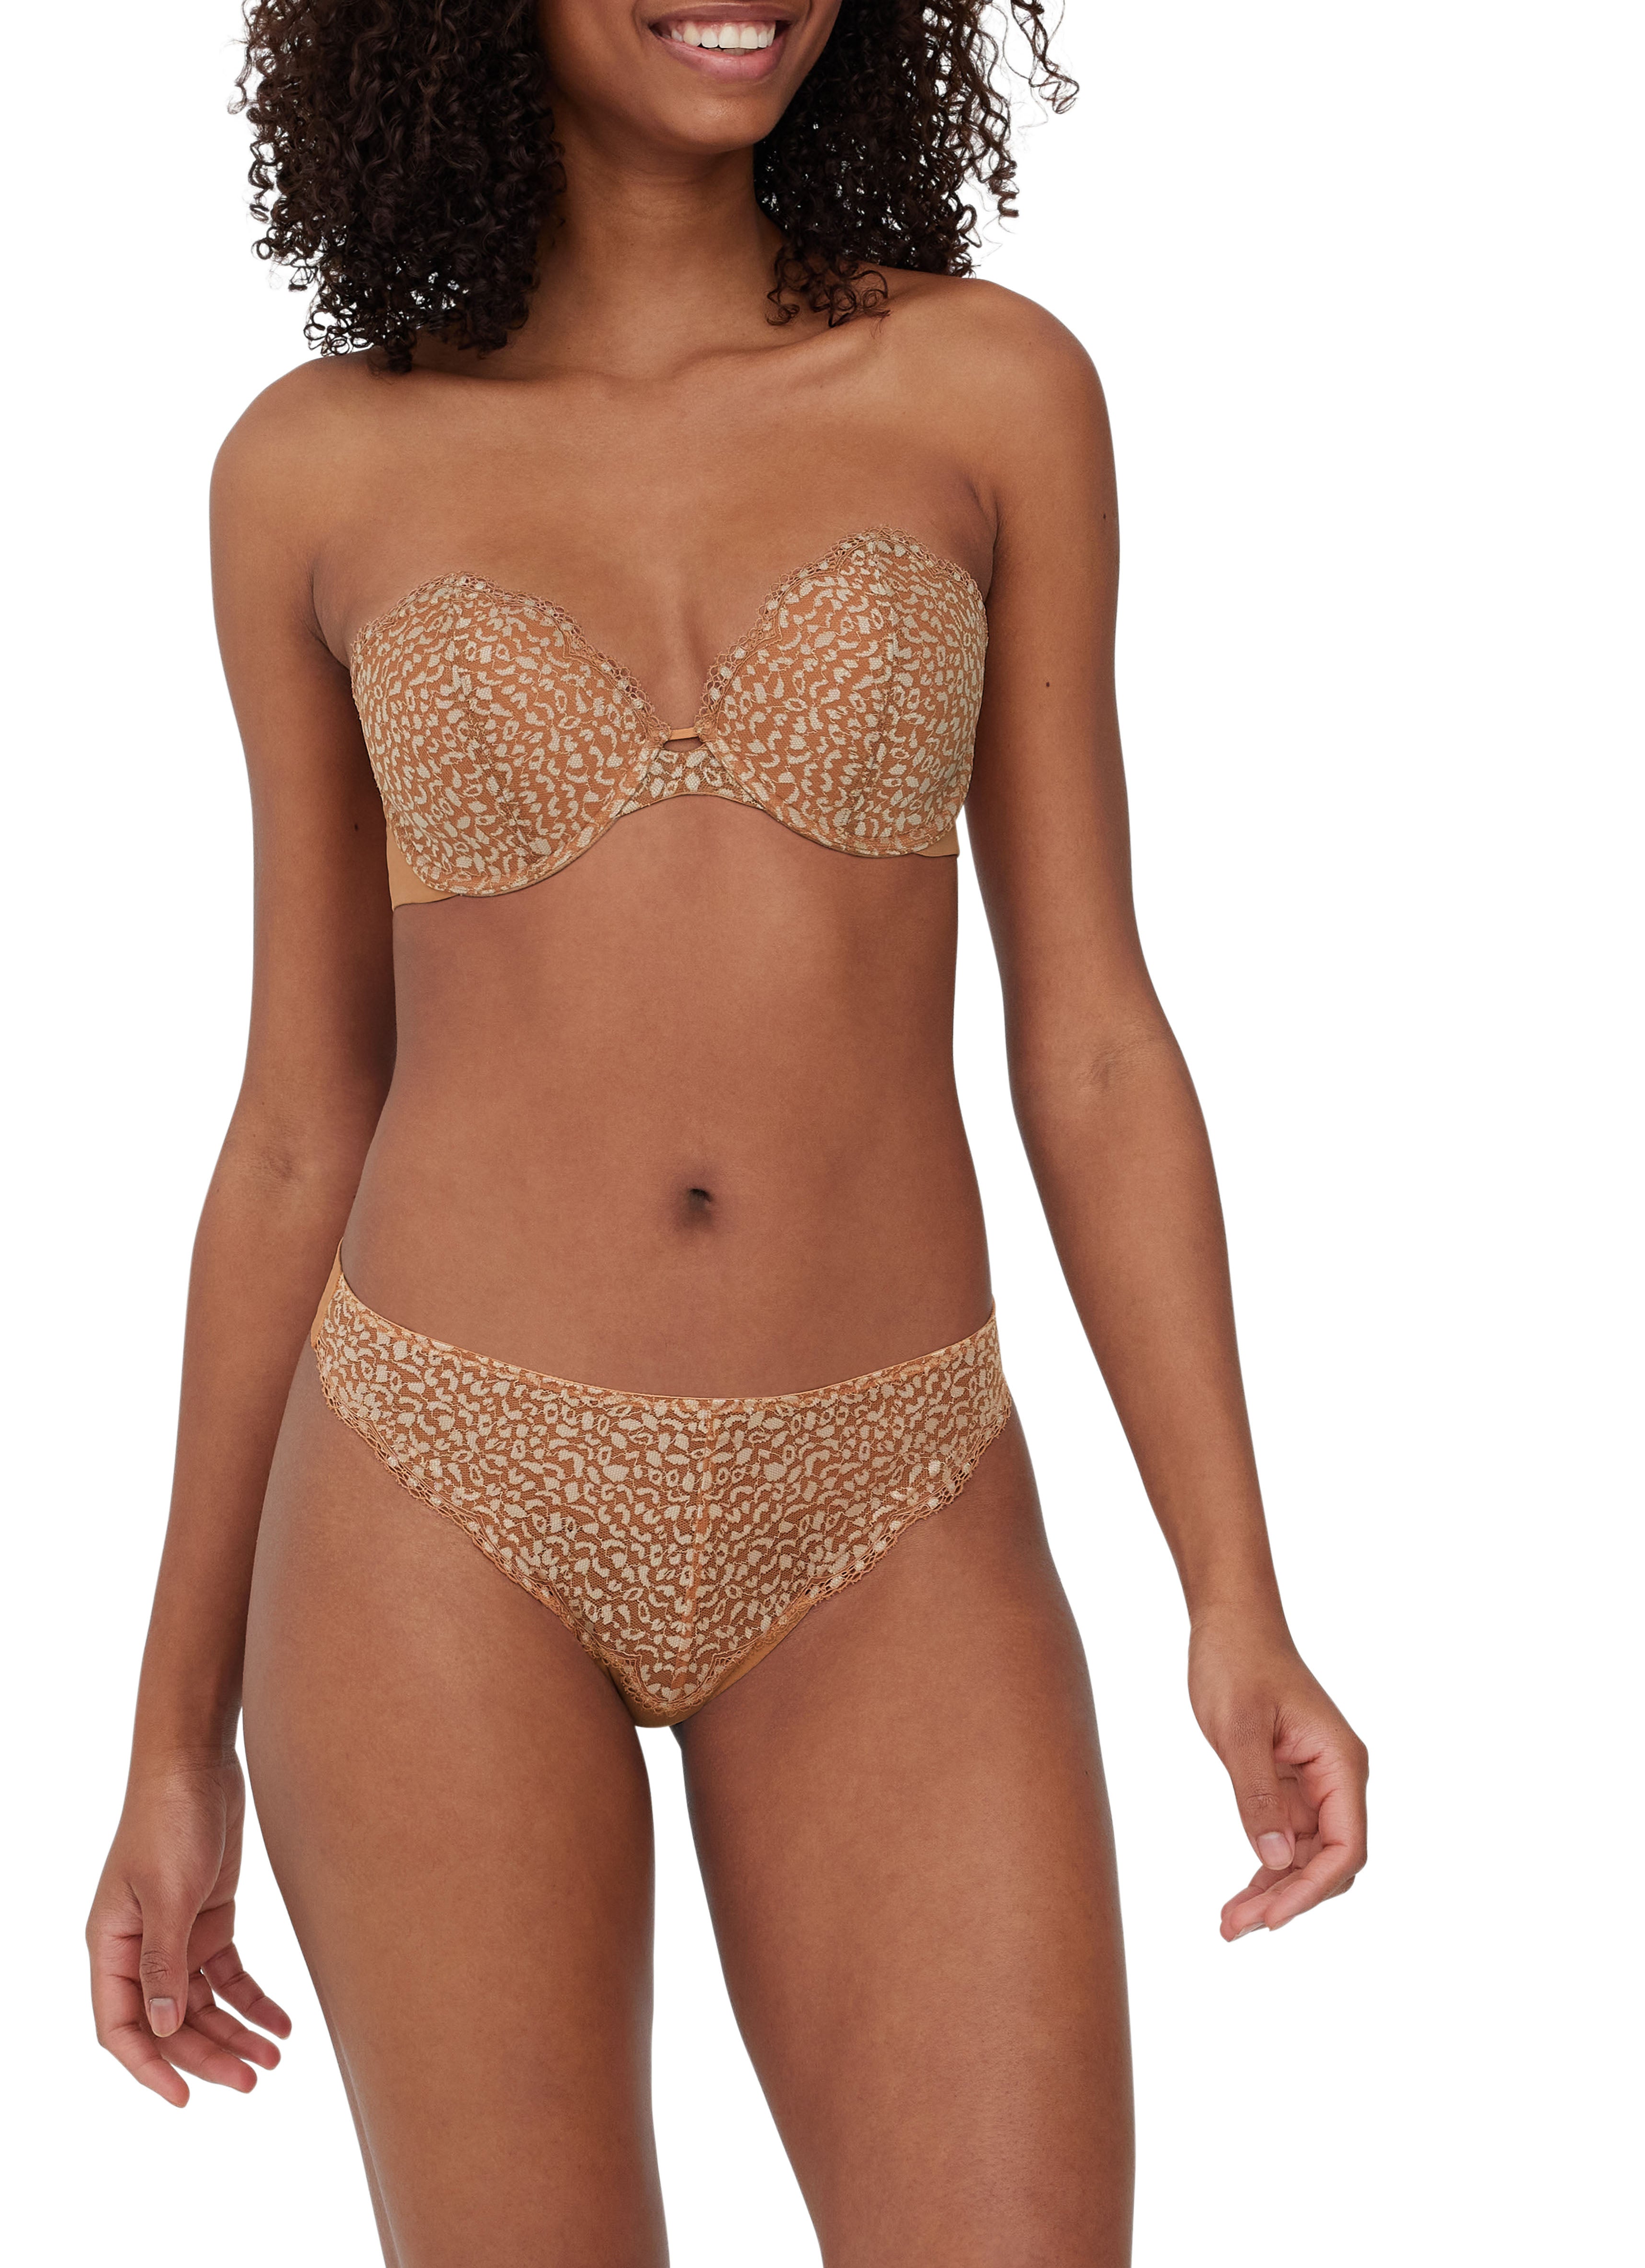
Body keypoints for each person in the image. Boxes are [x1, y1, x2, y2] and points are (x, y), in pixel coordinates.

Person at [86, 1, 1368, 2258]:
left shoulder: (986, 394)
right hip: (435, 1497)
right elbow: (298, 1117)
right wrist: (170, 1740)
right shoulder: (314, 470)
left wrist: (1231, 1594)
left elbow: (1088, 1039)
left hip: (892, 1487)